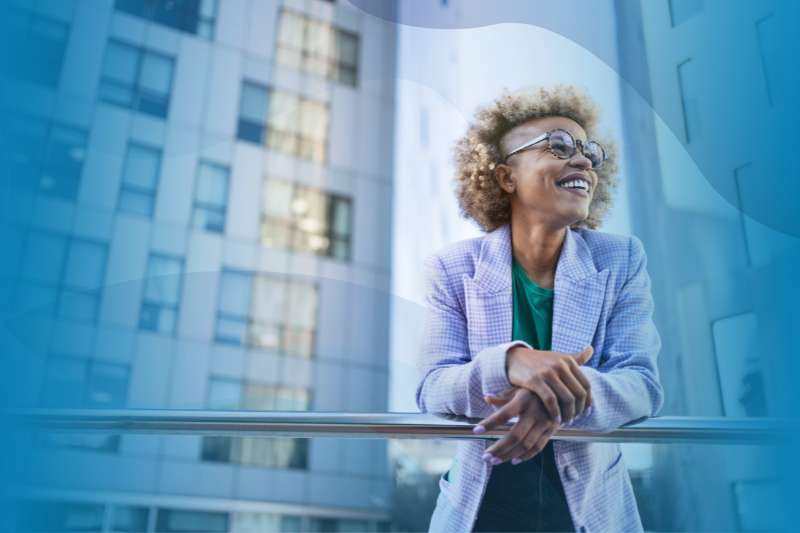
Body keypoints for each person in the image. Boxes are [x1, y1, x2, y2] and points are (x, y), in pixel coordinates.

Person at [416, 85, 664, 533]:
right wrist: (512, 362)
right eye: (559, 146)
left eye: (589, 150)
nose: (584, 161)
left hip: (588, 509)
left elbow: (643, 385)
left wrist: (557, 392)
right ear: (506, 178)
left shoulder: (623, 259)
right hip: (481, 508)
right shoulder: (452, 268)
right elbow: (433, 389)